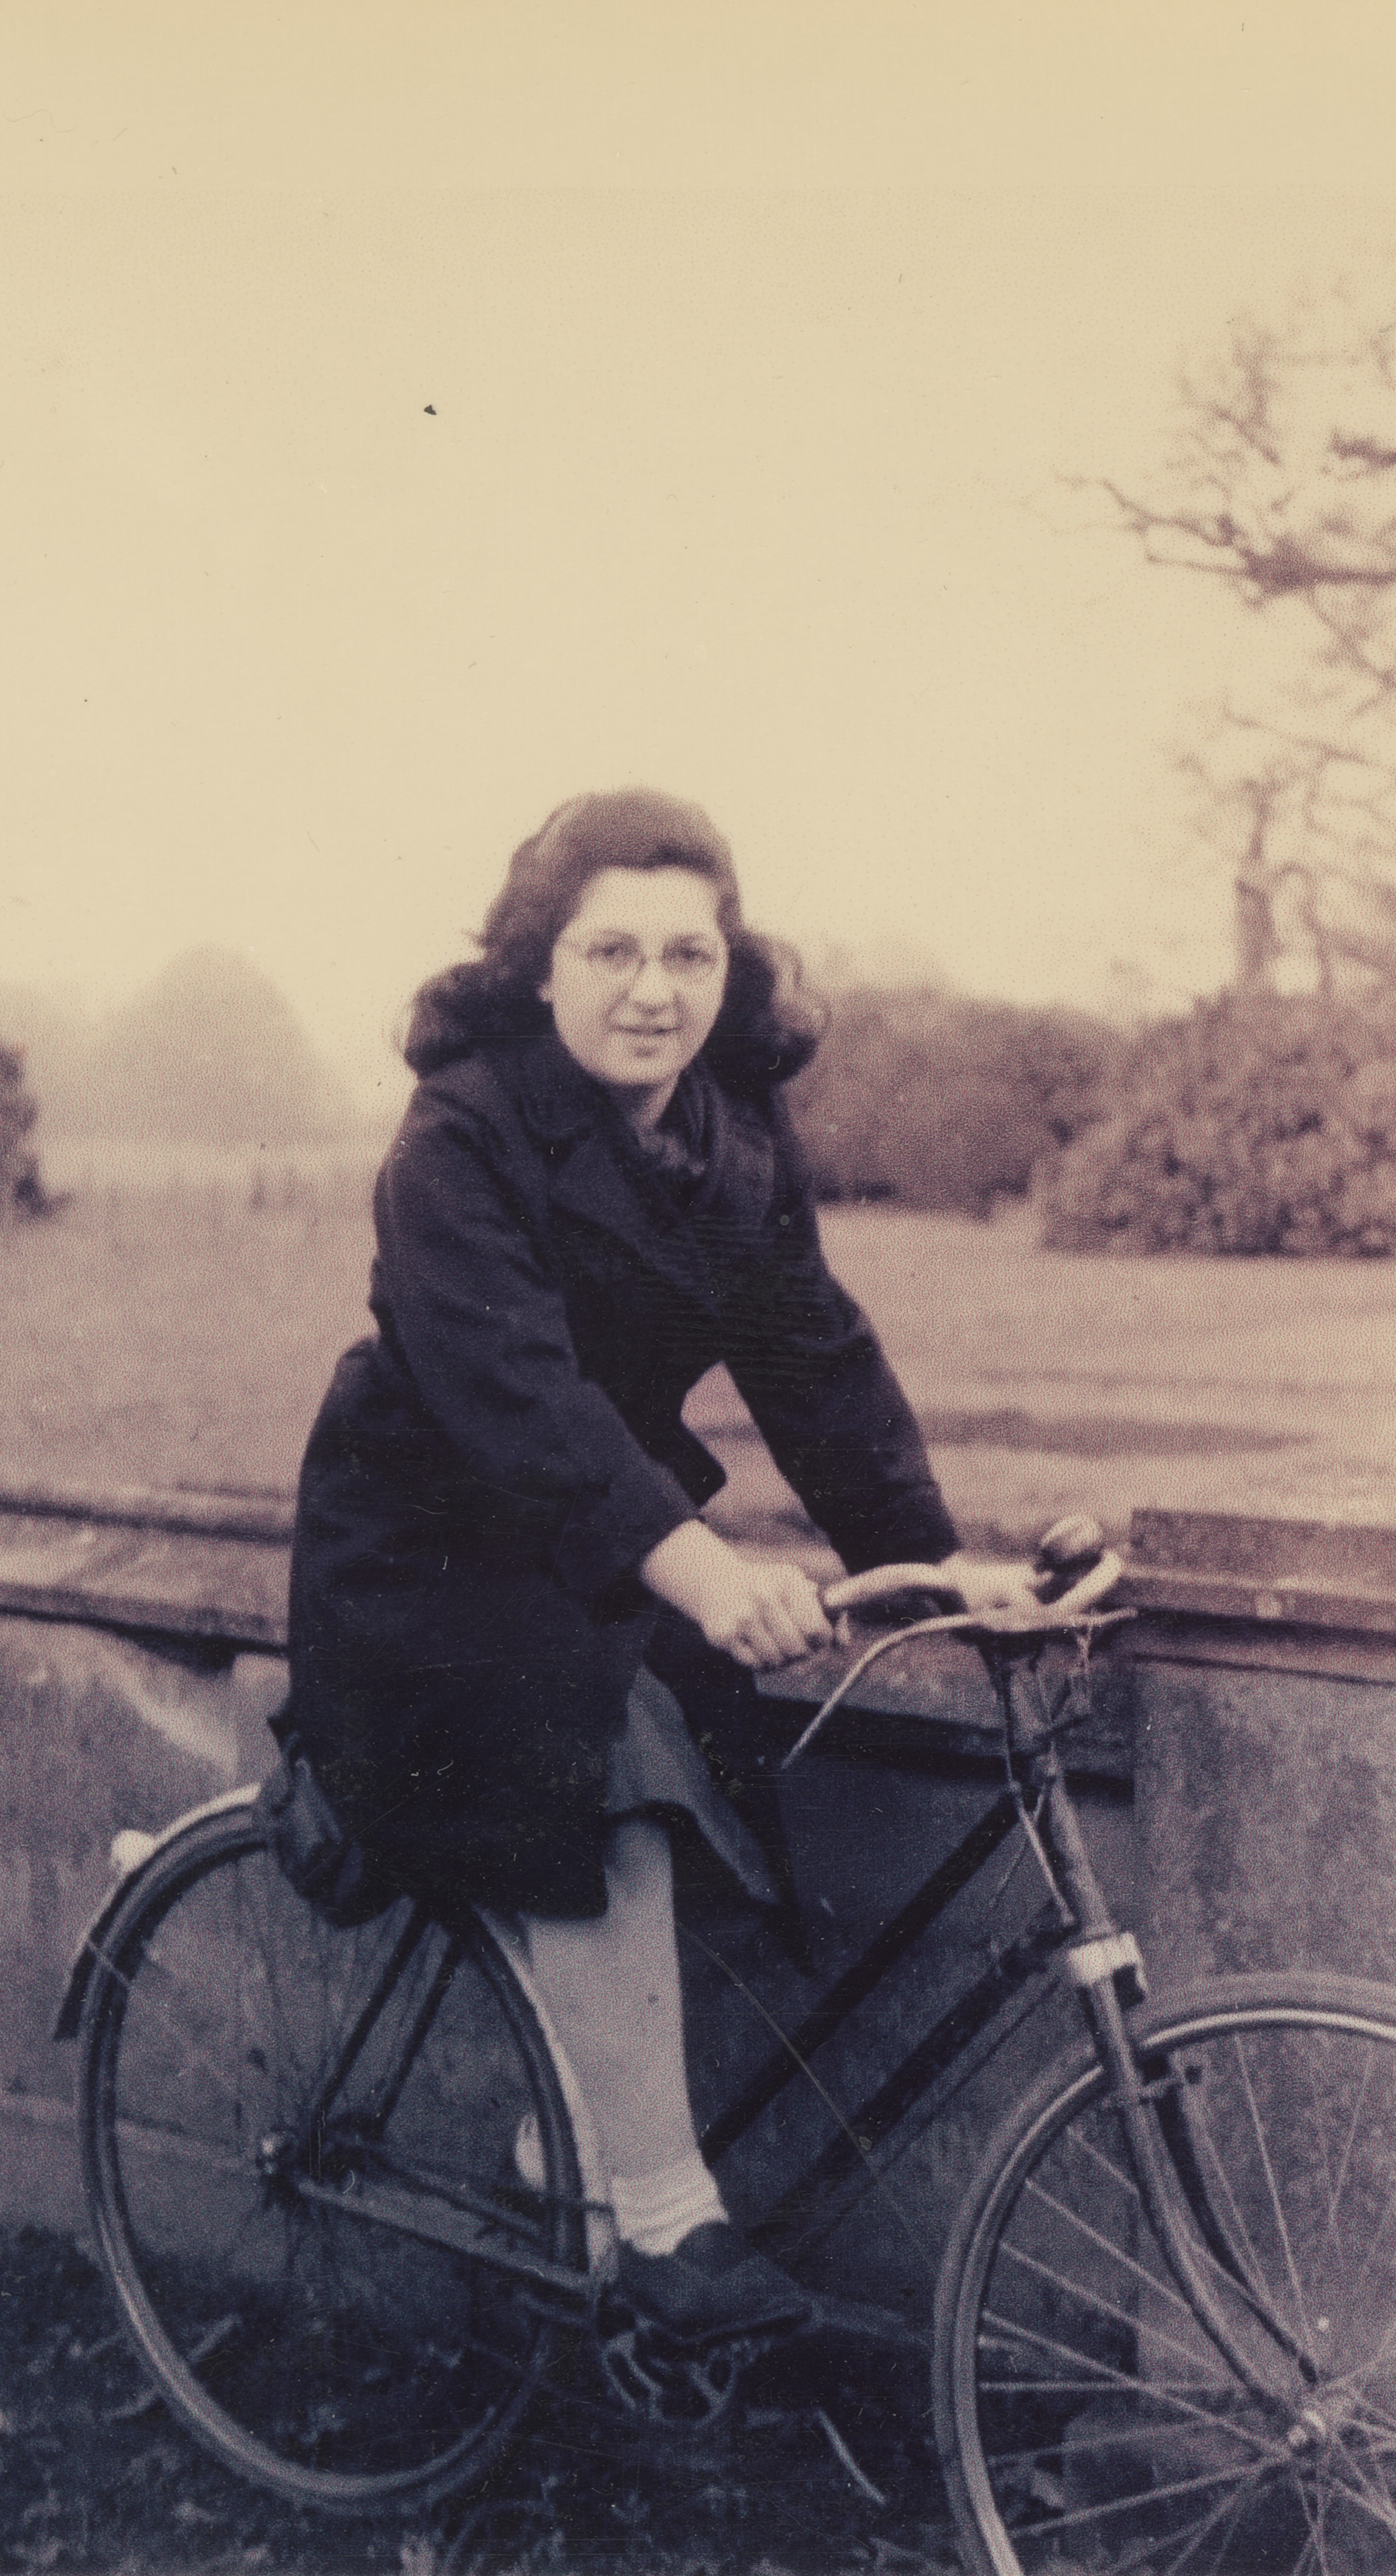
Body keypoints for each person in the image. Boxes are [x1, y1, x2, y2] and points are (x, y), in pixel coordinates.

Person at [287, 787, 1037, 2347]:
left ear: (728, 965)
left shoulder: (731, 1132)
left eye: (688, 954)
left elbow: (812, 1356)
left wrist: (926, 1564)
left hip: (594, 1532)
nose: (654, 989)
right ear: (537, 966)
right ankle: (663, 2219)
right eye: (611, 950)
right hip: (425, 1553)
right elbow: (520, 1399)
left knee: (738, 1759)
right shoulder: (460, 1134)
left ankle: (573, 2134)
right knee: (610, 1751)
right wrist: (696, 1567)